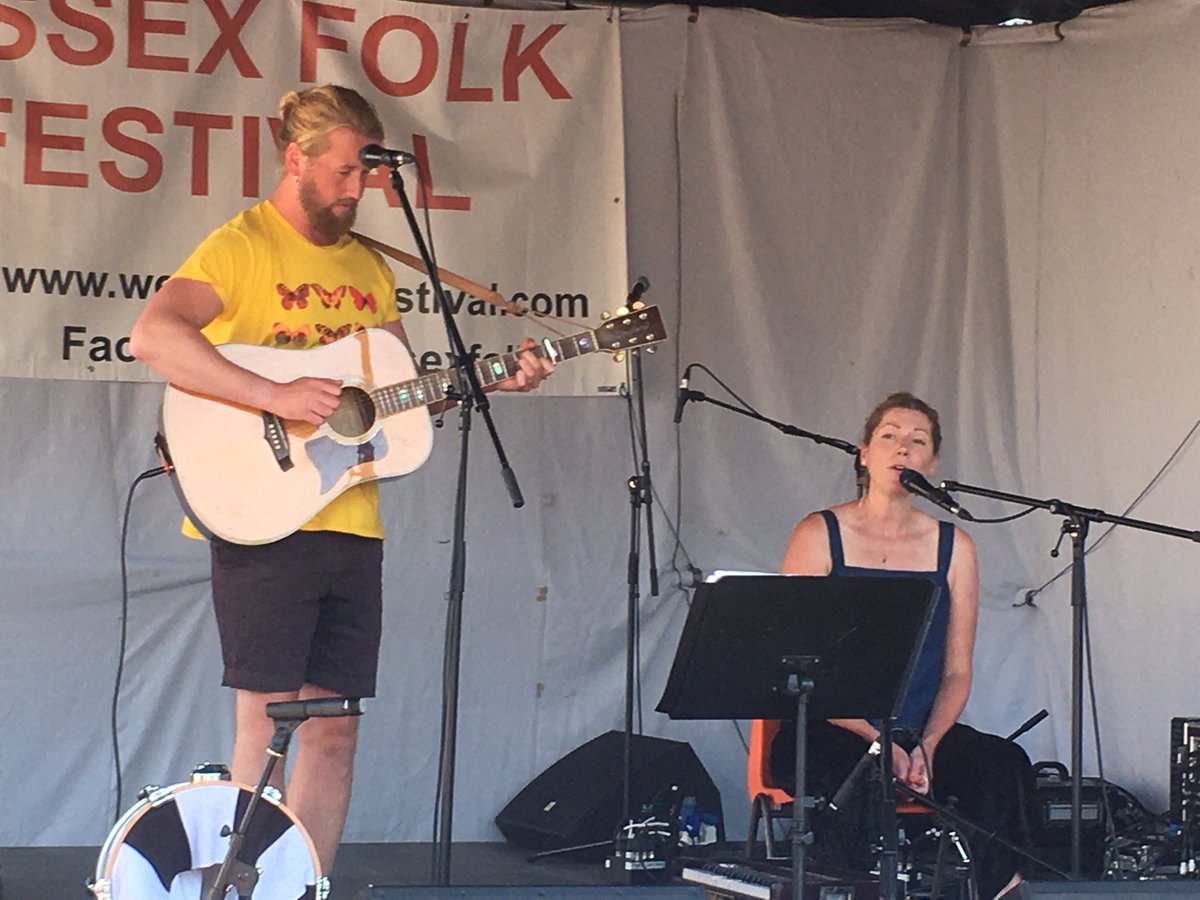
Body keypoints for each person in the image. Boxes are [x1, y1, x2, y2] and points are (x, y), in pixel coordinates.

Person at [128, 84, 553, 875]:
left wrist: (490, 377)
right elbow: (151, 335)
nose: (360, 190)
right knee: (268, 726)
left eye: (368, 175)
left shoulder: (369, 266)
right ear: (297, 159)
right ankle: (244, 885)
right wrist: (272, 395)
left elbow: (393, 394)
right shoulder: (243, 244)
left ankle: (306, 887)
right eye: (347, 171)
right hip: (265, 514)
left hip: (350, 519)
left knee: (335, 727)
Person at [768, 392, 1034, 900]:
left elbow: (957, 670)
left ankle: (1002, 890)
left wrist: (928, 745)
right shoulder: (819, 533)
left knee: (1002, 766)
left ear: (931, 463)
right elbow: (793, 662)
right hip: (832, 728)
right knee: (862, 779)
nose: (902, 450)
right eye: (889, 436)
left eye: (917, 442)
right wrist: (877, 741)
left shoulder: (954, 546)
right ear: (864, 452)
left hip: (918, 730)